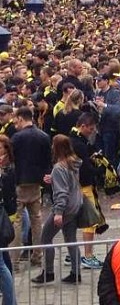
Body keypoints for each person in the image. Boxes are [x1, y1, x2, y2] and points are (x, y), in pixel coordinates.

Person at [33, 134, 82, 285]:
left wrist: (58, 212)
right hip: (75, 206)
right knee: (71, 240)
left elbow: (62, 192)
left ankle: (48, 272)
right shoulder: (73, 163)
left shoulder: (59, 167)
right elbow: (69, 184)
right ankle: (76, 272)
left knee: (46, 238)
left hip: (64, 209)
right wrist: (53, 179)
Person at [9, 106, 50, 270]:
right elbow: (47, 161)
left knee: (17, 221)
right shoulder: (44, 136)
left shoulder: (16, 138)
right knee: (37, 220)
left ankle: (14, 261)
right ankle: (37, 256)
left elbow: (11, 160)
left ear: (20, 118)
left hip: (19, 182)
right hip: (36, 183)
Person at [69, 112, 104, 270]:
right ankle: (88, 256)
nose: (92, 131)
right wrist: (98, 169)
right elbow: (84, 169)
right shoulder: (80, 144)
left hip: (73, 186)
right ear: (82, 126)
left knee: (71, 221)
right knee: (89, 221)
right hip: (84, 186)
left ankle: (71, 253)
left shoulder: (71, 139)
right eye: (90, 128)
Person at [0, 135, 17, 305]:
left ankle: (10, 300)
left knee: (3, 263)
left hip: (4, 217)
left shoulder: (8, 171)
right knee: (4, 261)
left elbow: (9, 196)